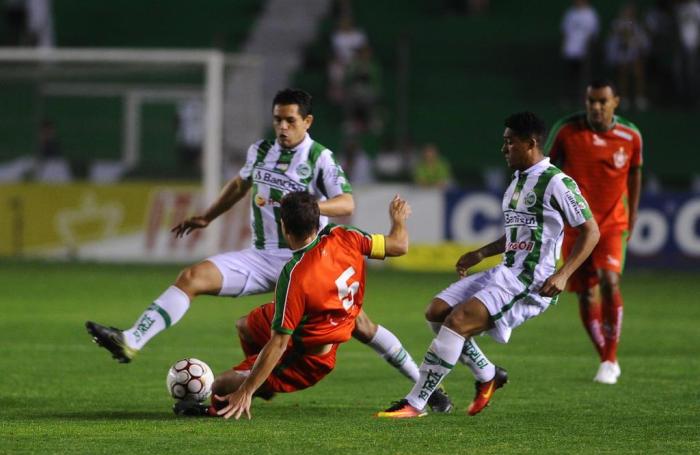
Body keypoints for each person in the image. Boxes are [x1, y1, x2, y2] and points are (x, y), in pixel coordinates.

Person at [85, 89, 449, 410]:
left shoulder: (319, 158)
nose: (282, 127)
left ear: (307, 121)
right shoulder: (260, 151)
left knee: (362, 326)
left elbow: (347, 203)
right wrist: (207, 217)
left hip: (306, 258)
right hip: (261, 256)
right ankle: (133, 339)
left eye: (290, 120)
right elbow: (239, 185)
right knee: (192, 278)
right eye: (277, 120)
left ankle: (426, 387)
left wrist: (307, 207)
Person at [377, 112, 599, 418]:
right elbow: (517, 234)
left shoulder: (556, 183)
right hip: (506, 271)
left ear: (530, 143)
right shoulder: (517, 182)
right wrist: (481, 253)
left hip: (532, 281)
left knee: (458, 322)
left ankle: (415, 403)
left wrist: (564, 275)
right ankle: (488, 374)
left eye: (509, 142)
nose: (503, 148)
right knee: (438, 312)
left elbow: (592, 231)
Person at [209, 192, 410, 419]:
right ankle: (261, 377)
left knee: (217, 388)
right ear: (317, 221)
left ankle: (260, 382)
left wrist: (245, 390)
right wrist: (398, 219)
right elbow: (399, 245)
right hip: (332, 317)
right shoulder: (344, 236)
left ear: (283, 227)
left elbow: (279, 343)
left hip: (307, 356)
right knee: (245, 326)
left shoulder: (296, 275)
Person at [545, 80, 642, 384]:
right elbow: (545, 169)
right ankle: (605, 356)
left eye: (602, 101)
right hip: (578, 225)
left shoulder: (631, 135)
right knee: (587, 295)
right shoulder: (566, 130)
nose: (596, 107)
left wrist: (634, 213)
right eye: (591, 102)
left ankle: (611, 357)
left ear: (616, 102)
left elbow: (635, 175)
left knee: (610, 282)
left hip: (613, 222)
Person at [560, 0, 600, 106]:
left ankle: (583, 99)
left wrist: (587, 49)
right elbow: (565, 31)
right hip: (570, 51)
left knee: (583, 77)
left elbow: (593, 33)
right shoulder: (570, 13)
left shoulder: (591, 14)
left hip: (583, 51)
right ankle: (567, 99)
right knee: (569, 76)